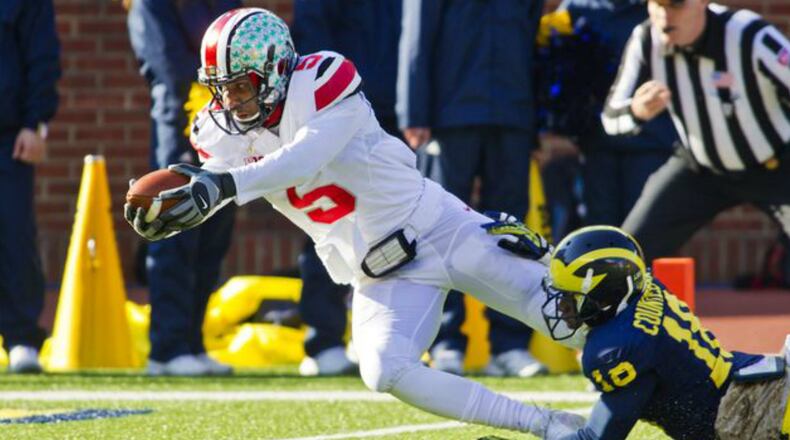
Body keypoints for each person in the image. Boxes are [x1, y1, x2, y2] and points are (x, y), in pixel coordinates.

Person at [125, 8, 588, 437]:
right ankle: (547, 424)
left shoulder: (322, 78)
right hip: (381, 271)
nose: (231, 101)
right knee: (384, 369)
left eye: (241, 86)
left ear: (277, 69)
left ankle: (633, 381)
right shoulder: (217, 129)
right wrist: (175, 211)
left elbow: (303, 159)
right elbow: (214, 185)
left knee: (569, 321)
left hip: (438, 229)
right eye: (221, 88)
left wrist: (221, 186)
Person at [397, 0, 547, 377]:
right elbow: (416, 37)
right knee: (440, 233)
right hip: (450, 115)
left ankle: (510, 345)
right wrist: (414, 112)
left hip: (512, 113)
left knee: (512, 234)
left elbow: (531, 40)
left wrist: (535, 122)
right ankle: (445, 342)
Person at [534, 225, 788, 439]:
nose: (561, 306)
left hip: (752, 415)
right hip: (753, 387)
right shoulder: (643, 288)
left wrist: (526, 425)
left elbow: (596, 437)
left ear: (604, 294)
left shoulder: (617, 348)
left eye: (570, 296)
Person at [602, 0, 790, 262]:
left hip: (777, 166)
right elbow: (610, 117)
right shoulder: (646, 39)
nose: (665, 16)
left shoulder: (749, 34)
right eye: (657, 4)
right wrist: (636, 111)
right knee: (628, 252)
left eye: (676, 5)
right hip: (700, 169)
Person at [286, 0, 403, 376]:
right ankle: (323, 340)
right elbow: (312, 39)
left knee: (392, 230)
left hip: (394, 110)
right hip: (340, 108)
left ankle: (376, 335)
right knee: (331, 220)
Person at [127, 0, 240, 376]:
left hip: (228, 126)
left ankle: (192, 341)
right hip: (181, 124)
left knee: (214, 236)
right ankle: (167, 347)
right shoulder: (150, 5)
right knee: (176, 234)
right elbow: (168, 64)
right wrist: (221, 87)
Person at [539, 0, 677, 228]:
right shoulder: (578, 8)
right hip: (596, 144)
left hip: (652, 140)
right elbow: (553, 67)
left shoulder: (659, 8)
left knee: (645, 228)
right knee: (599, 229)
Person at [0, 0, 60, 374]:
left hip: (8, 136)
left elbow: (42, 53)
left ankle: (21, 337)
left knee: (14, 236)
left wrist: (36, 122)